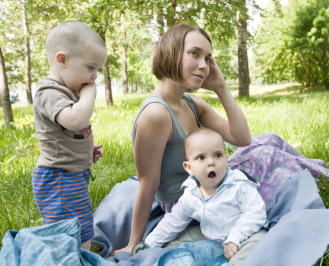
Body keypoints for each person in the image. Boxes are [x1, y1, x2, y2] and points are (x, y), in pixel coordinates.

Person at [114, 24, 252, 254]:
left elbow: (242, 138)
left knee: (265, 144)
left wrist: (220, 88)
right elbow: (148, 183)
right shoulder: (156, 115)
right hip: (190, 205)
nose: (203, 65)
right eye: (195, 54)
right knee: (265, 157)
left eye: (207, 58)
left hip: (210, 185)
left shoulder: (190, 102)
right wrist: (133, 243)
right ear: (171, 52)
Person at [31, 21, 107, 250]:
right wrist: (90, 92)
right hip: (57, 178)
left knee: (82, 227)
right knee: (68, 234)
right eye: (90, 68)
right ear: (62, 60)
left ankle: (78, 257)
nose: (94, 76)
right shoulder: (49, 92)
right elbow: (75, 120)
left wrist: (85, 151)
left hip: (70, 174)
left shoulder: (66, 91)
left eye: (97, 70)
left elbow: (69, 132)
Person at [144, 128, 266, 262]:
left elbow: (256, 213)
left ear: (226, 158)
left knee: (259, 242)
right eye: (201, 157)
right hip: (210, 235)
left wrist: (234, 239)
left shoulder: (238, 185)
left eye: (218, 155)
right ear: (189, 168)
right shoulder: (191, 194)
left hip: (243, 234)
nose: (211, 162)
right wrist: (149, 243)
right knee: (177, 241)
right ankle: (172, 259)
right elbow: (173, 221)